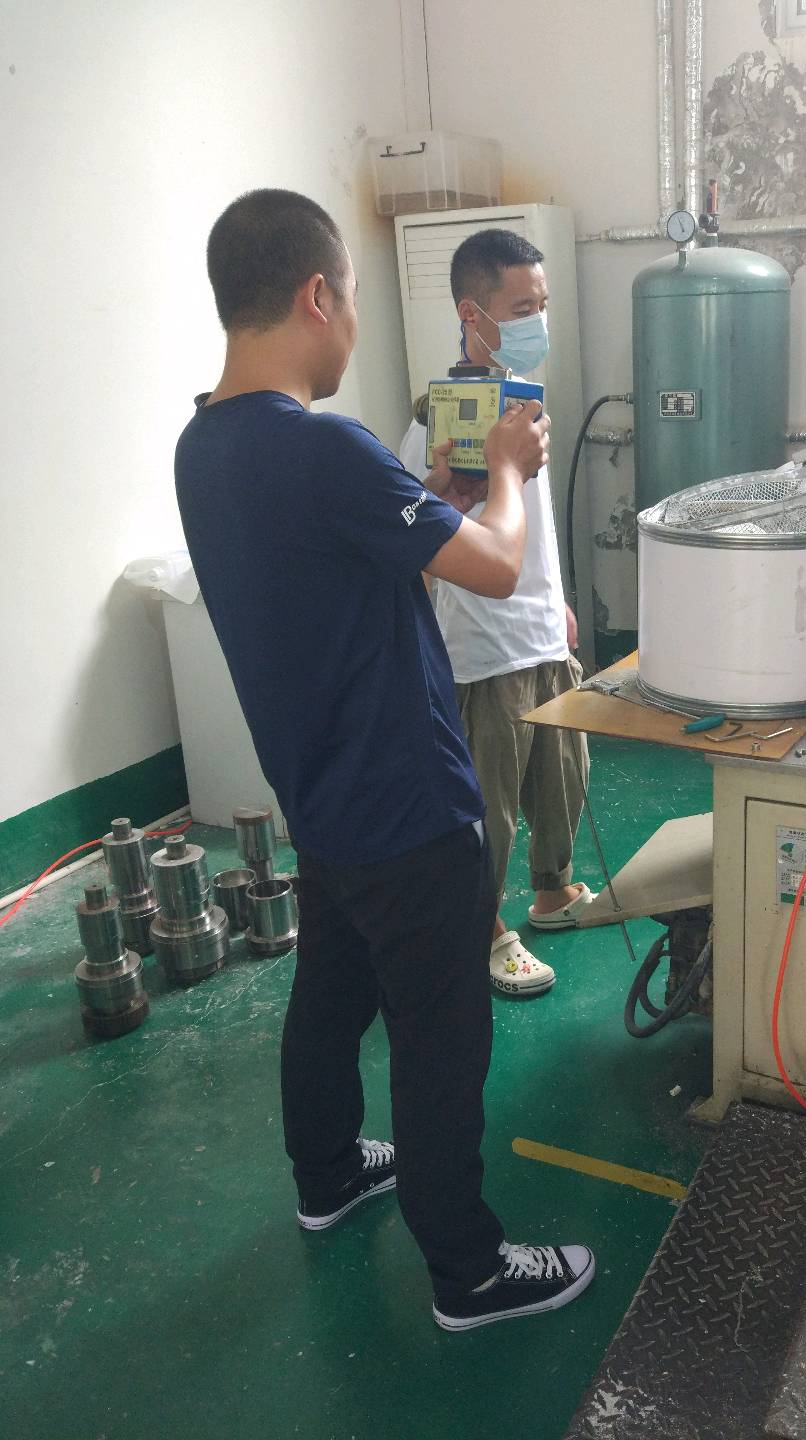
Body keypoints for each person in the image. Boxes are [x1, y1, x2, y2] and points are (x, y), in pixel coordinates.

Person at [174, 189, 594, 1330]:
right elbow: (498, 567)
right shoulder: (324, 446)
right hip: (407, 798)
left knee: (330, 995)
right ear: (318, 296)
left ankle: (326, 1177)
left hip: (319, 792)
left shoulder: (203, 445)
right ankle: (470, 1270)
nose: (353, 325)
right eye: (352, 300)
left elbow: (340, 563)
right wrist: (504, 470)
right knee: (442, 1035)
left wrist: (438, 497)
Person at [399, 230, 591, 1000]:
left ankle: (553, 892)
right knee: (491, 810)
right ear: (471, 314)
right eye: (520, 309)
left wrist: (558, 601)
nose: (537, 321)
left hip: (542, 633)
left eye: (542, 305)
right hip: (483, 653)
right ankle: (480, 930)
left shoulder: (521, 406)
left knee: (564, 779)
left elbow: (532, 523)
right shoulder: (433, 427)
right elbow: (418, 534)